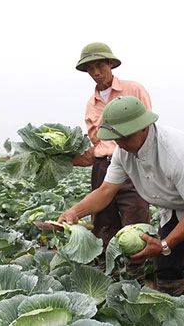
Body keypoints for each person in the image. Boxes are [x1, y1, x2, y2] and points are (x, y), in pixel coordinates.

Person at [59, 96, 184, 324]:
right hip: (174, 205)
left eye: (124, 136)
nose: (119, 142)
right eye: (116, 137)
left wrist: (164, 244)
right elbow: (105, 191)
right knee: (165, 265)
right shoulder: (123, 152)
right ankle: (170, 315)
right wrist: (75, 211)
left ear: (143, 128)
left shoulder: (177, 151)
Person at [72, 42, 152, 282]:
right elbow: (96, 144)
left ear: (110, 64)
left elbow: (147, 129)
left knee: (135, 220)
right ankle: (109, 276)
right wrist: (68, 158)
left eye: (100, 66)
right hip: (102, 167)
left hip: (131, 163)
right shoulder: (91, 103)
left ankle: (135, 277)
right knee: (103, 224)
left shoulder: (134, 89)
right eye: (90, 69)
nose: (96, 72)